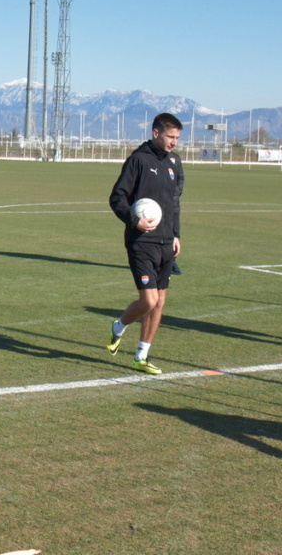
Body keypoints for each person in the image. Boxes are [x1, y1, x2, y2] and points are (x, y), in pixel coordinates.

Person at [106, 113, 184, 374]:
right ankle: (119, 326)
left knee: (160, 302)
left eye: (177, 138)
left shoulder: (174, 162)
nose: (174, 142)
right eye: (170, 137)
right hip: (141, 240)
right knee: (149, 300)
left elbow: (174, 203)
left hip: (166, 241)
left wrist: (176, 235)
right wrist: (134, 220)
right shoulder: (138, 160)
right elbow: (117, 197)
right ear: (156, 133)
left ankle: (141, 356)